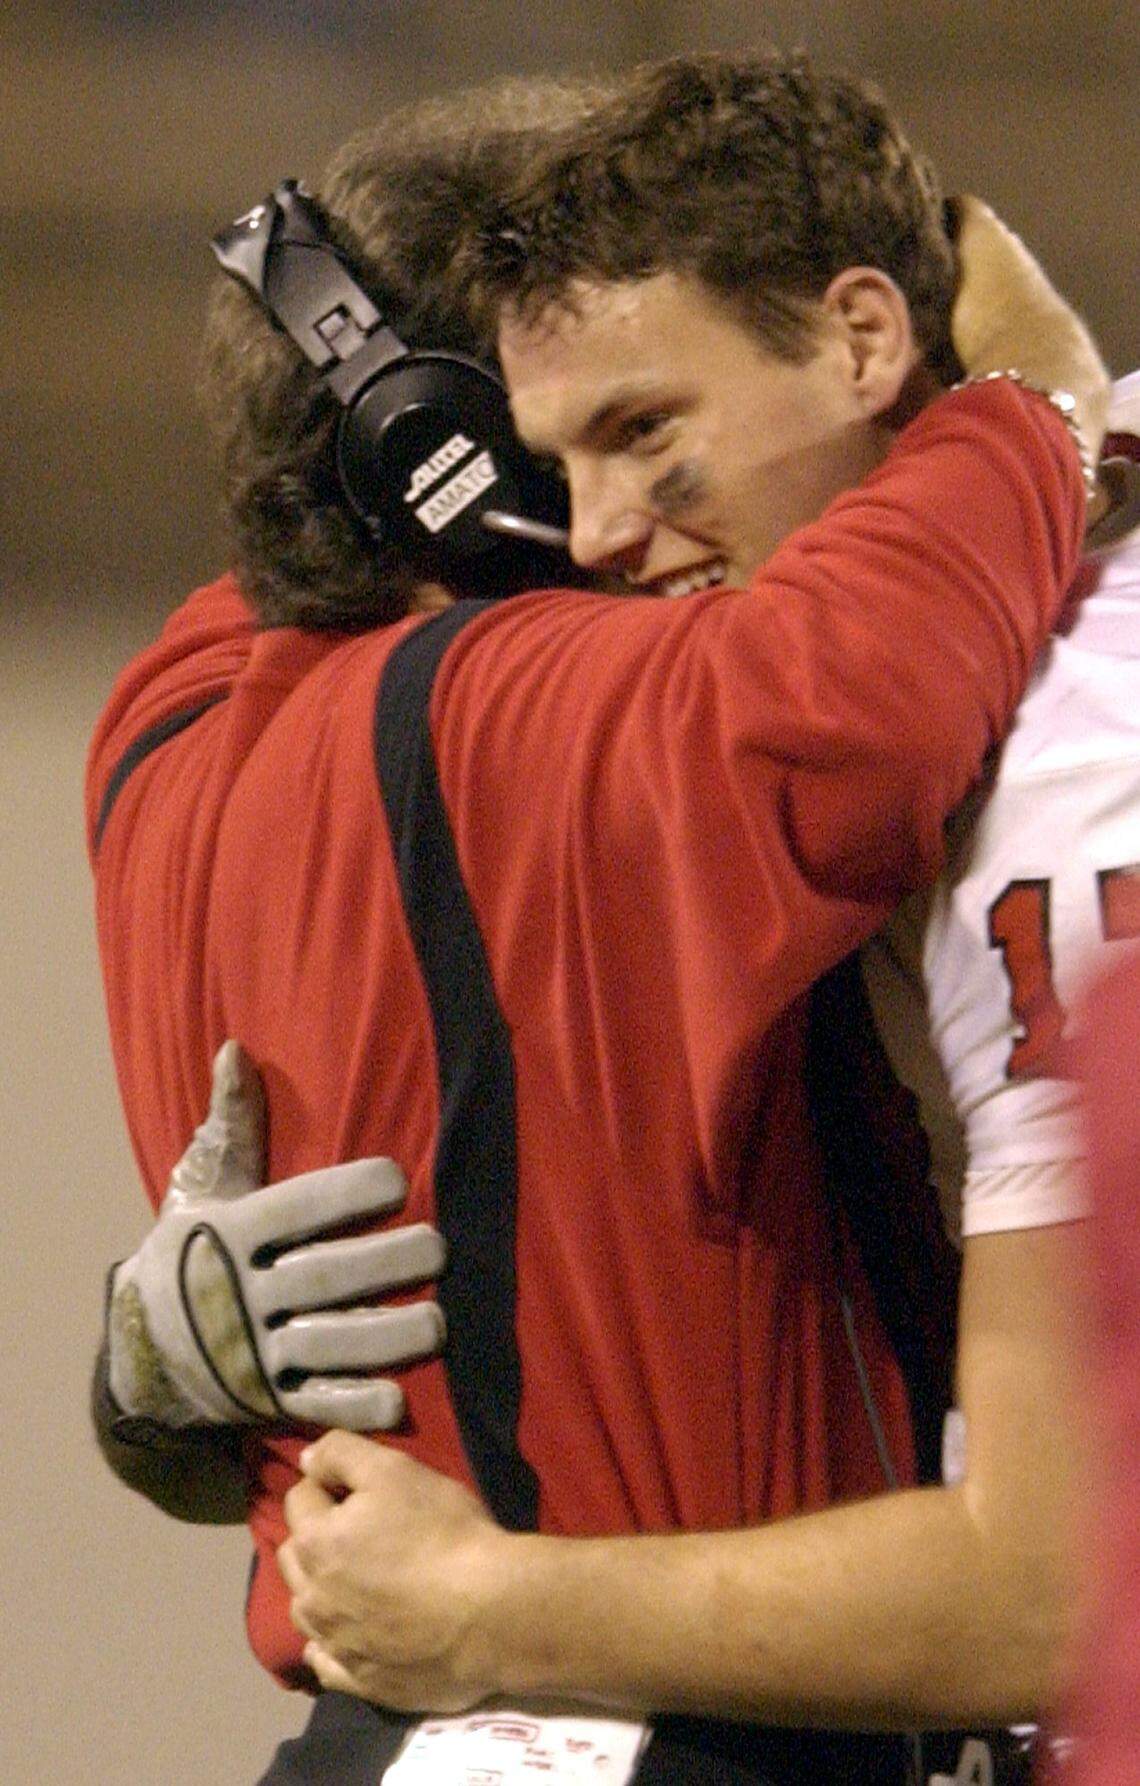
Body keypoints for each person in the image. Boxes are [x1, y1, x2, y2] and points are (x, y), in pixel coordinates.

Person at [87, 54, 1104, 1785]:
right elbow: (859, 693)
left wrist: (135, 1400)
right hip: (665, 1729)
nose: (601, 523)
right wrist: (1035, 394)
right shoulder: (525, 720)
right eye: (555, 436)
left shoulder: (163, 722)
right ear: (440, 453)